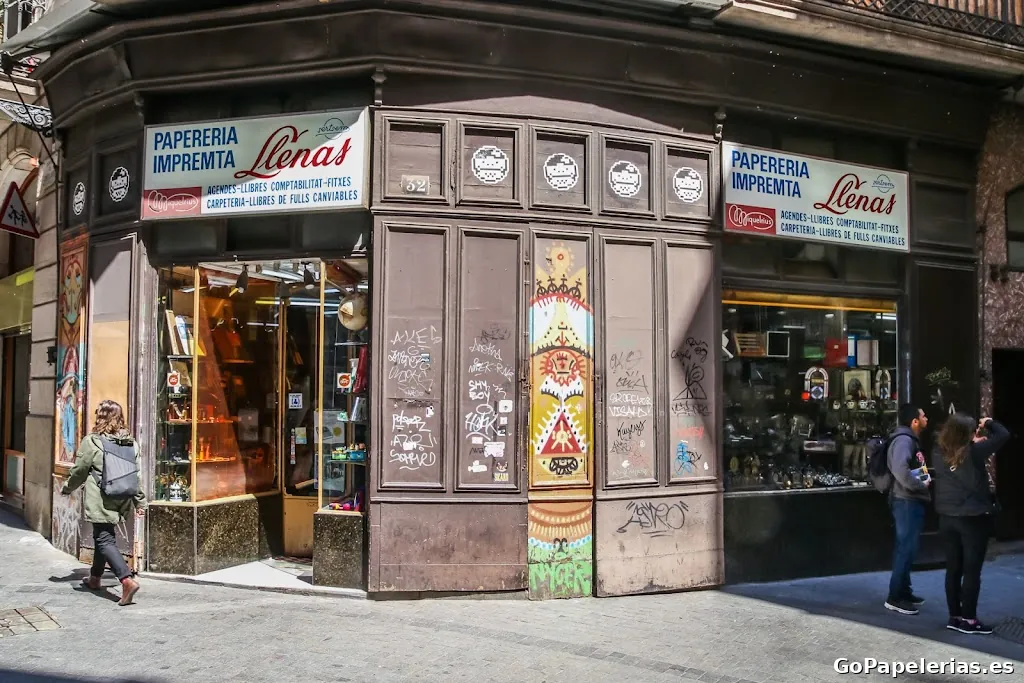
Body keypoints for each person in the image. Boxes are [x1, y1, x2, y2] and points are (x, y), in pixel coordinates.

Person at [62, 400, 146, 606]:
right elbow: (137, 476)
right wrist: (140, 502)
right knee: (103, 535)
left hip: (100, 498)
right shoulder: (130, 443)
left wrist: (67, 487)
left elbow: (80, 470)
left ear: (100, 417)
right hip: (122, 496)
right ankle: (95, 578)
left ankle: (126, 580)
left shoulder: (93, 441)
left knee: (104, 539)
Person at [931, 413, 1009, 635]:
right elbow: (1003, 435)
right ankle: (969, 619)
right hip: (973, 518)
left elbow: (957, 455)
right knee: (972, 570)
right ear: (968, 434)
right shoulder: (974, 452)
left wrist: (973, 442)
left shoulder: (938, 452)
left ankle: (955, 616)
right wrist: (988, 422)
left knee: (953, 568)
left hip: (947, 516)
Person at [884, 403, 931, 616]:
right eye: (923, 415)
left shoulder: (909, 439)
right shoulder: (904, 441)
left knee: (907, 548)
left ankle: (904, 590)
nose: (926, 418)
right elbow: (900, 470)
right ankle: (895, 597)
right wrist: (919, 485)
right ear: (914, 421)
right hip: (906, 501)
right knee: (906, 548)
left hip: (909, 500)